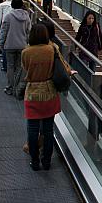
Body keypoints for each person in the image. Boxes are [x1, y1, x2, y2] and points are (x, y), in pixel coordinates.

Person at [21, 24, 71, 171]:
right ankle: (47, 161)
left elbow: (25, 69)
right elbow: (61, 66)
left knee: (32, 129)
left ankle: (34, 161)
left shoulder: (26, 52)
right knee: (48, 130)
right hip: (49, 92)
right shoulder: (52, 49)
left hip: (32, 93)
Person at [0, 0, 31, 95]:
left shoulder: (9, 16)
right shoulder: (27, 17)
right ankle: (17, 87)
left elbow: (4, 31)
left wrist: (1, 43)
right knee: (19, 67)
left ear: (12, 5)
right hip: (22, 45)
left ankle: (10, 87)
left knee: (10, 66)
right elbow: (29, 31)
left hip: (10, 45)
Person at [0, 0, 16, 71]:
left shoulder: (2, 5)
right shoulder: (14, 5)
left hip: (4, 26)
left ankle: (5, 65)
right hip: (14, 26)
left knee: (5, 45)